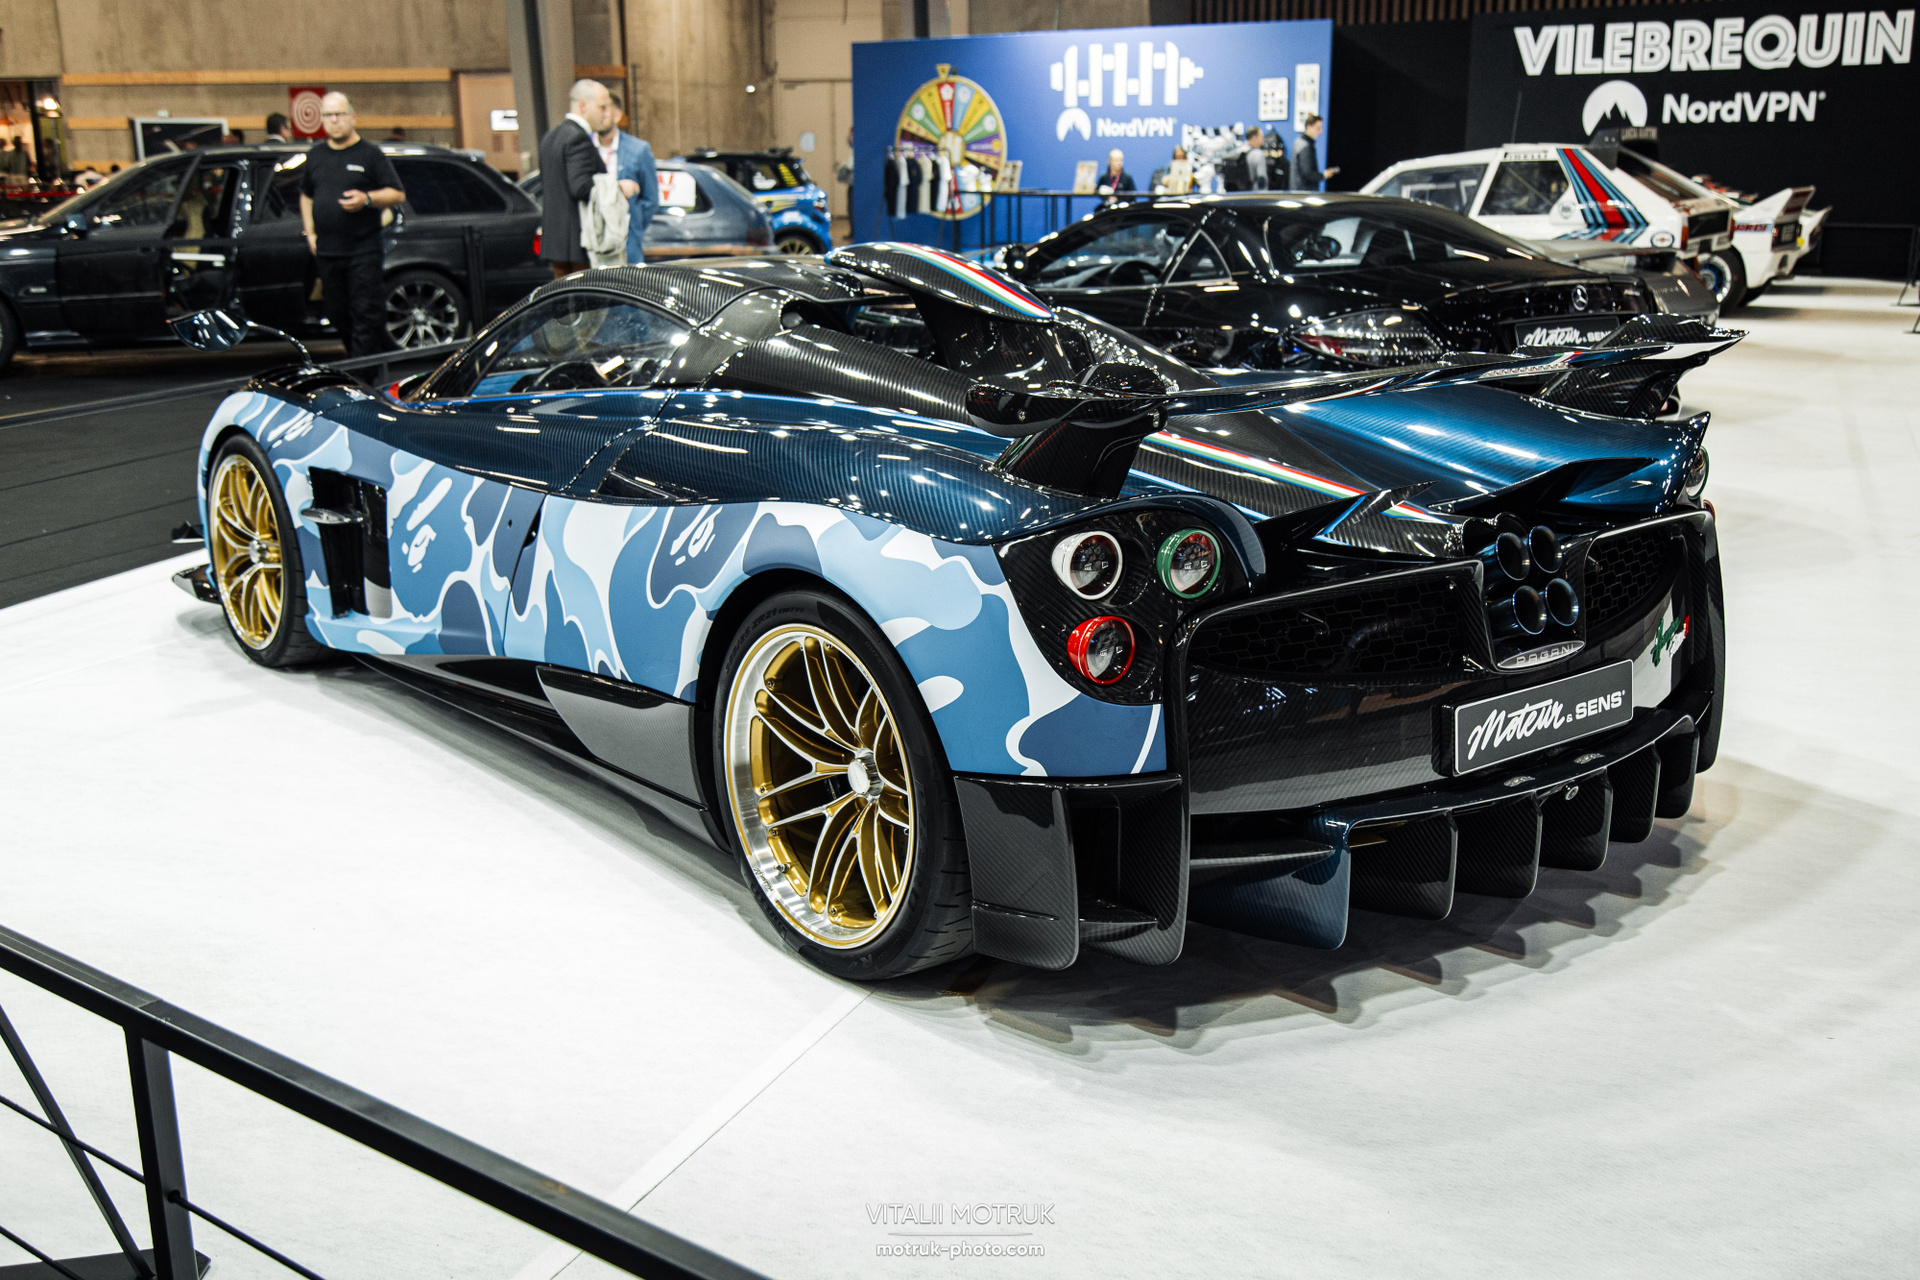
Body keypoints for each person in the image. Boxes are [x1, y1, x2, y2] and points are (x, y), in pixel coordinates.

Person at [298, 91, 406, 357]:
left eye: (339, 114)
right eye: (328, 115)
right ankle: (359, 363)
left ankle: (365, 373)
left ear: (352, 117)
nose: (334, 120)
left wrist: (367, 199)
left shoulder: (370, 155)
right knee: (337, 314)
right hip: (328, 252)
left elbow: (397, 194)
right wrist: (310, 233)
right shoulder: (316, 156)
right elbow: (306, 195)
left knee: (366, 314)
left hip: (363, 251)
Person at [537, 79, 608, 278]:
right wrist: (617, 187)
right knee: (586, 296)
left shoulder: (550, 137)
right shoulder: (578, 138)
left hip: (555, 242)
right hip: (579, 242)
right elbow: (581, 187)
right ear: (583, 105)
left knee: (562, 296)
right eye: (601, 107)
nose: (605, 113)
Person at [594, 106, 658, 265]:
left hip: (627, 239)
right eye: (598, 109)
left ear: (617, 114)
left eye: (605, 108)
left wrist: (635, 225)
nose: (601, 114)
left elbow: (651, 199)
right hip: (594, 238)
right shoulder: (584, 146)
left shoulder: (638, 149)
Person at [1290, 115, 1339, 192]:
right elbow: (1308, 173)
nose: (1320, 131)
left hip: (1299, 190)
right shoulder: (1305, 146)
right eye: (1318, 128)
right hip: (1304, 192)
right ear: (1309, 127)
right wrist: (1324, 175)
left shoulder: (1299, 142)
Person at [1224, 127, 1281, 191]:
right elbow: (1262, 179)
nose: (1262, 141)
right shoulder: (1258, 154)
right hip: (1253, 193)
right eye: (1261, 137)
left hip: (1236, 192)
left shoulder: (1237, 152)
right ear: (1254, 138)